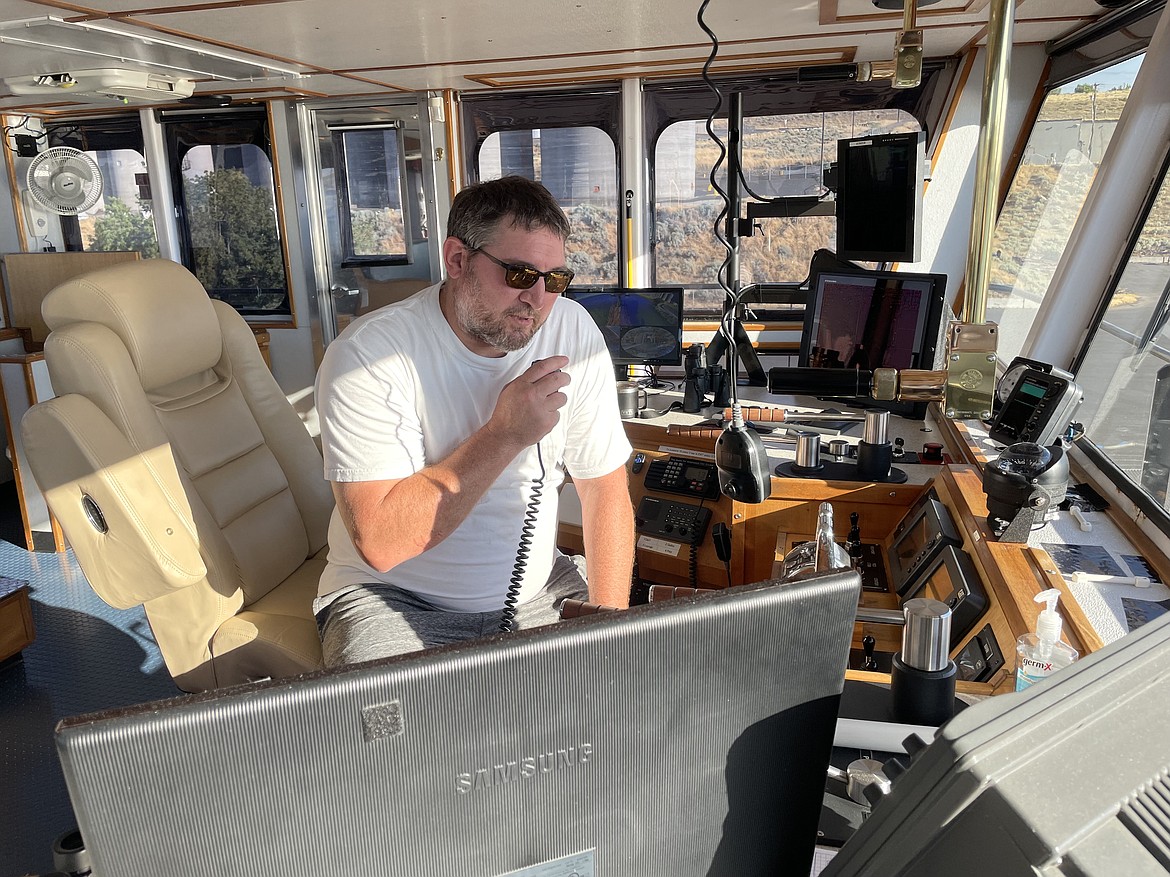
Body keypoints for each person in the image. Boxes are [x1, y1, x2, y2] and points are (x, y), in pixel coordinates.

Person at [313, 176, 636, 666]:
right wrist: (504, 435)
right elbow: (382, 542)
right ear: (458, 260)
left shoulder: (572, 329)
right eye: (521, 275)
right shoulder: (367, 356)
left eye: (556, 280)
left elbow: (604, 488)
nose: (539, 299)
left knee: (623, 711)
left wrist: (609, 622)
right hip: (393, 597)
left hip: (539, 587)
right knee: (393, 738)